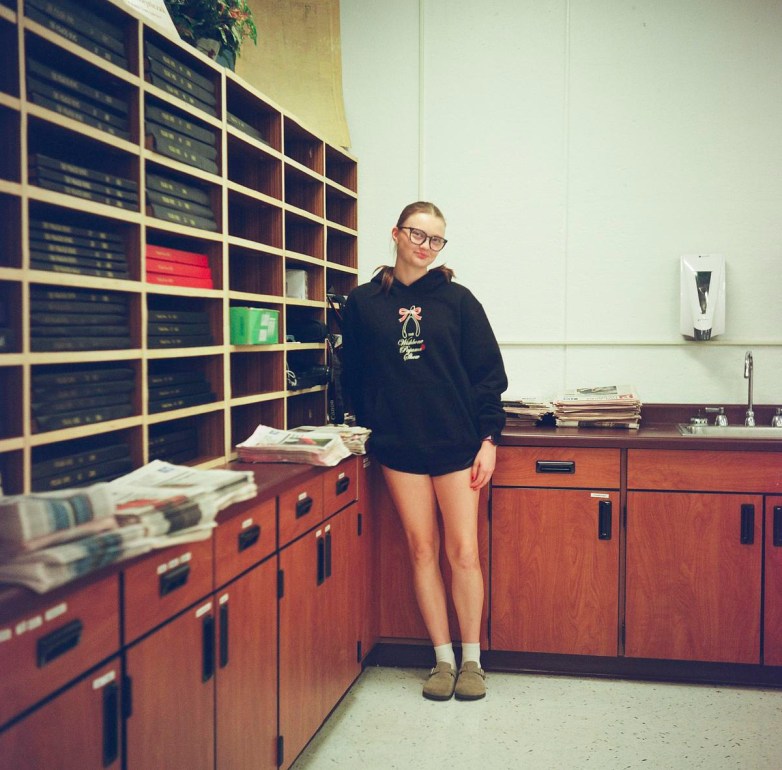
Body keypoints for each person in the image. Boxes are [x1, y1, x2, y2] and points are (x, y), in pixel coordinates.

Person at [341, 201, 508, 701]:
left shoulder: (458, 301)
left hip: (458, 444)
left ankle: (472, 661)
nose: (425, 246)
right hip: (399, 446)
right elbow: (354, 375)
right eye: (417, 234)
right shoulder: (363, 303)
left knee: (463, 552)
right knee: (421, 550)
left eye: (435, 239)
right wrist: (370, 423)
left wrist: (489, 439)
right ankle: (442, 659)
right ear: (395, 234)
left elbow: (487, 377)